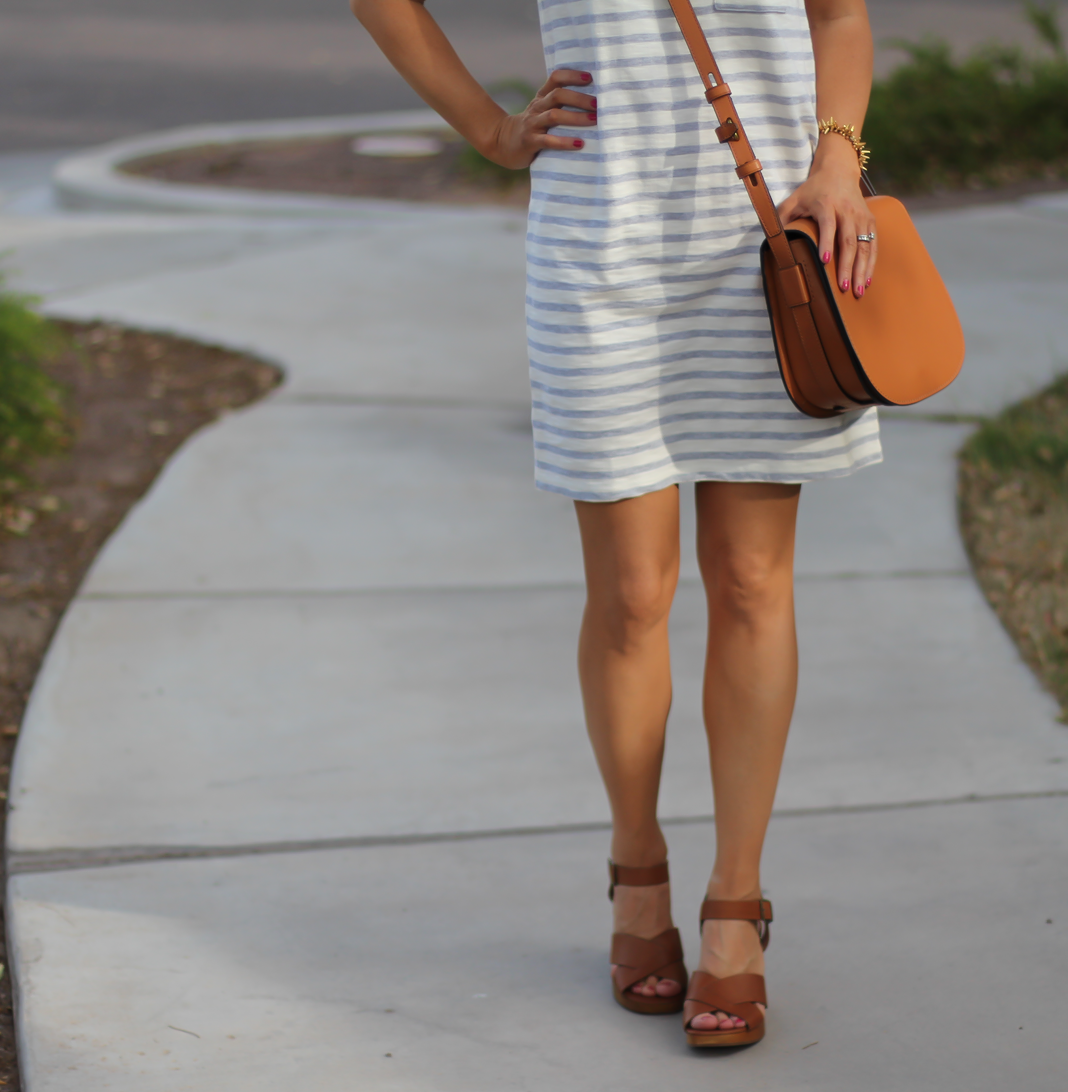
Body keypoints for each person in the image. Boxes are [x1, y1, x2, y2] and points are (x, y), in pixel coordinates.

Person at [353, 0, 881, 1048]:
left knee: (750, 582)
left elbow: (842, 16)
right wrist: (492, 128)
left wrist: (839, 161)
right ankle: (636, 867)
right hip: (600, 255)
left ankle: (737, 904)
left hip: (768, 238)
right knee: (634, 596)